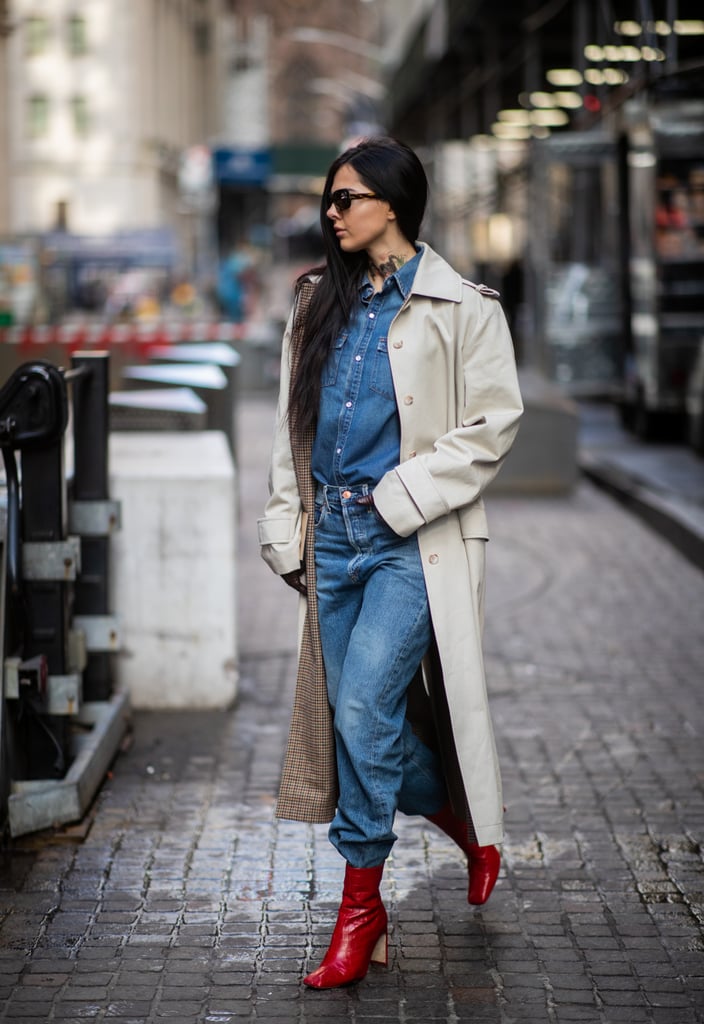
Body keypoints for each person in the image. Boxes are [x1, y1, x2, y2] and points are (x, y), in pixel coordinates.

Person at [258, 137, 523, 989]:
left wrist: (401, 495)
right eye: (328, 201)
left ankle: (361, 906)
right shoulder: (314, 302)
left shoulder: (464, 306)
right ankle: (453, 810)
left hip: (416, 540)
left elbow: (492, 427)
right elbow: (289, 429)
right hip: (331, 539)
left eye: (346, 199)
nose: (331, 214)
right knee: (355, 718)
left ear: (393, 205)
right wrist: (287, 519)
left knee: (366, 701)